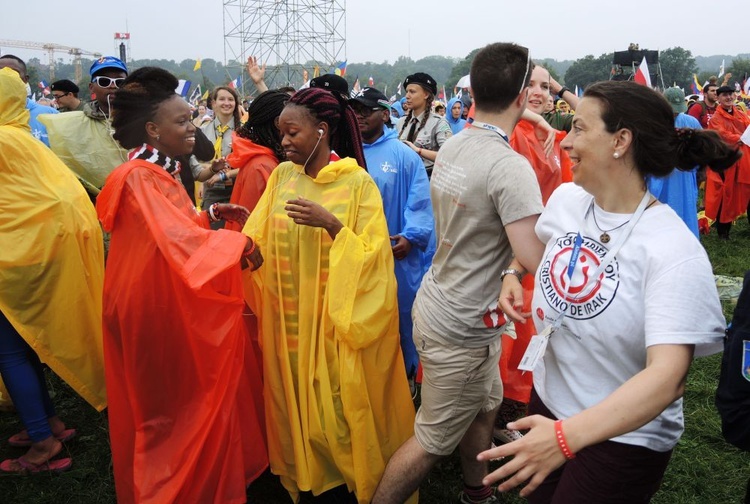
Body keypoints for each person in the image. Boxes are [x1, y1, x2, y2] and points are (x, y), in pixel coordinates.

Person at [478, 80, 738, 504]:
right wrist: (512, 271)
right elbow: (538, 250)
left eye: (579, 129)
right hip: (551, 402)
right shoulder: (567, 200)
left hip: (625, 436)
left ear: (621, 141)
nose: (565, 142)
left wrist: (565, 439)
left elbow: (667, 378)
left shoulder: (672, 250)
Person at [373, 42, 545, 504]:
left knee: (484, 407)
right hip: (464, 323)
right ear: (523, 96)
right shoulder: (510, 167)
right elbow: (534, 256)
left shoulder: (457, 143)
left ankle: (476, 493)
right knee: (432, 442)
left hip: (443, 300)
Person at [96, 67, 267, 503]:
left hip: (153, 298)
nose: (193, 128)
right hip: (153, 309)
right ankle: (170, 488)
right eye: (183, 121)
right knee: (170, 411)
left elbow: (173, 227)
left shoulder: (155, 172)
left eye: (191, 118)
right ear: (153, 129)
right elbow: (178, 243)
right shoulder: (139, 177)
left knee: (177, 403)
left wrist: (209, 216)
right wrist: (240, 245)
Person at [241, 87, 416, 504]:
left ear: (322, 131)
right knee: (291, 403)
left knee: (336, 411)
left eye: (292, 132)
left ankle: (341, 479)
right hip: (289, 326)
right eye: (280, 133)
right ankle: (303, 473)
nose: (282, 141)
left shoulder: (357, 184)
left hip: (334, 326)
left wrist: (333, 226)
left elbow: (374, 258)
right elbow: (258, 239)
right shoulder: (283, 178)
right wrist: (244, 246)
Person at [0, 67, 106, 473]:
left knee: (9, 353)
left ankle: (42, 445)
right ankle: (47, 423)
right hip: (40, 253)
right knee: (26, 349)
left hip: (15, 259)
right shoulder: (25, 139)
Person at [350, 87, 433, 395]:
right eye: (354, 110)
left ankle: (407, 378)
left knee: (401, 315)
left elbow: (420, 201)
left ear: (384, 115)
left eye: (365, 110)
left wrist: (411, 238)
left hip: (396, 255)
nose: (358, 116)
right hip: (357, 254)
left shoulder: (403, 156)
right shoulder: (347, 151)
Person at [39, 56, 129, 198]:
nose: (113, 86)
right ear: (91, 87)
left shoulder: (147, 122)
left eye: (120, 82)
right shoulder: (71, 125)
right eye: (104, 81)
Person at [647, 87, 702, 238]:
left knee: (685, 211)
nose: (675, 113)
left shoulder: (691, 122)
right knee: (659, 211)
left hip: (684, 178)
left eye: (678, 110)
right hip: (659, 177)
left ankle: (686, 242)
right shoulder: (652, 123)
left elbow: (702, 149)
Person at [190, 85, 242, 226]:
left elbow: (248, 161)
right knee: (211, 232)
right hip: (211, 190)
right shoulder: (201, 130)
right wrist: (208, 171)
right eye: (222, 99)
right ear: (213, 103)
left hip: (237, 188)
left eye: (231, 99)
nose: (227, 103)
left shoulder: (243, 130)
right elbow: (192, 159)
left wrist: (228, 172)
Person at [707, 85, 750, 239]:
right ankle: (723, 233)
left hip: (745, 162)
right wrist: (740, 138)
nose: (729, 97)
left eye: (731, 94)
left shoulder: (741, 114)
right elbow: (721, 135)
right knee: (726, 196)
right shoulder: (716, 119)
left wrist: (744, 138)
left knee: (748, 193)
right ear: (718, 98)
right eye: (724, 95)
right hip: (727, 164)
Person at [397, 72, 453, 177]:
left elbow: (450, 156)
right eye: (407, 91)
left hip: (427, 179)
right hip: (403, 178)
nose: (407, 96)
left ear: (426, 95)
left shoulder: (439, 123)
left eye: (412, 92)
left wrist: (419, 151)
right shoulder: (401, 122)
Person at [0, 54, 58, 147]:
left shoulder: (51, 115)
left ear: (25, 79)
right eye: (1, 72)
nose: (7, 76)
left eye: (14, 73)